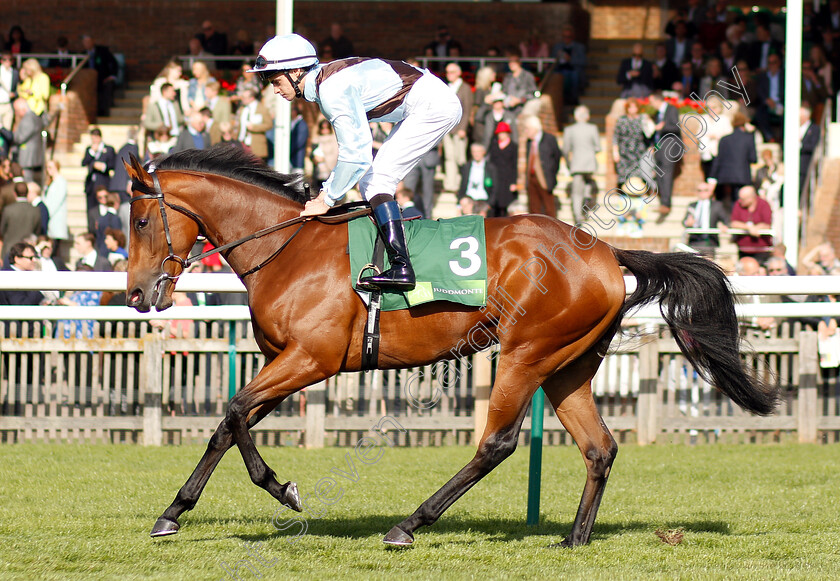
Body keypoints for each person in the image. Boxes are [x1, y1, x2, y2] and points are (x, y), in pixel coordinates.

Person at [251, 33, 461, 291]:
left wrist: (326, 199)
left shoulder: (331, 90)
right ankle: (393, 259)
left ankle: (401, 267)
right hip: (427, 100)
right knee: (372, 182)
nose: (274, 89)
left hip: (433, 105)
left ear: (295, 71)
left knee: (376, 181)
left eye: (275, 80)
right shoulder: (326, 79)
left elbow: (357, 156)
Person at [709, 112, 757, 209]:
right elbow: (753, 158)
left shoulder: (724, 139)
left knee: (726, 200)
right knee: (740, 200)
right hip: (742, 175)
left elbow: (718, 160)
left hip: (725, 176)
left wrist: (712, 176)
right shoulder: (748, 138)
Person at [563, 105, 601, 224]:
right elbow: (598, 147)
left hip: (576, 163)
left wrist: (569, 163)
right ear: (587, 116)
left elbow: (565, 150)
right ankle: (587, 195)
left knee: (576, 192)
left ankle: (578, 217)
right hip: (589, 162)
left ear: (575, 117)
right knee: (588, 182)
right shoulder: (593, 128)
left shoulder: (569, 130)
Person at [442, 62, 473, 193]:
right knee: (449, 157)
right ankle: (451, 184)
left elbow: (468, 109)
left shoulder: (465, 88)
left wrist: (463, 128)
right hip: (447, 129)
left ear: (459, 73)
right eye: (448, 72)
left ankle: (462, 184)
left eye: (452, 72)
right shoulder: (446, 87)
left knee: (460, 158)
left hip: (459, 128)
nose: (450, 75)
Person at [521, 115, 561, 217]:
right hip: (532, 178)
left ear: (534, 128)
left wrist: (552, 172)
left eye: (527, 129)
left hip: (545, 178)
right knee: (534, 208)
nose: (526, 131)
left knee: (549, 208)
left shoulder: (549, 139)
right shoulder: (529, 142)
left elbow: (557, 156)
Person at [648, 91, 680, 219]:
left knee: (666, 174)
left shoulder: (672, 109)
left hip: (670, 146)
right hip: (659, 147)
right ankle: (663, 202)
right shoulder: (657, 114)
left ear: (657, 100)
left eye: (652, 102)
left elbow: (676, 127)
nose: (651, 105)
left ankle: (666, 203)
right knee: (659, 174)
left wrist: (662, 126)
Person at [612, 98, 651, 191]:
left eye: (634, 107)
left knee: (638, 177)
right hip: (624, 152)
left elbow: (649, 134)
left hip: (638, 152)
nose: (632, 110)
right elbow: (616, 136)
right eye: (630, 107)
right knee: (624, 176)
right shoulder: (622, 120)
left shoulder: (642, 119)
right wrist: (615, 152)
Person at [682, 182, 729, 257]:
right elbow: (684, 222)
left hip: (709, 240)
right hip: (694, 240)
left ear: (710, 192)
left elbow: (727, 220)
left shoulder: (716, 205)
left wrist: (724, 226)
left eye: (705, 190)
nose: (702, 193)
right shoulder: (692, 205)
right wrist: (687, 222)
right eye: (700, 190)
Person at [730, 185, 772, 263]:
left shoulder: (764, 205)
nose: (740, 200)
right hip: (743, 249)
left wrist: (757, 228)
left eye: (742, 199)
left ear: (751, 198)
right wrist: (749, 227)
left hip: (761, 249)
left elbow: (767, 224)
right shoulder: (738, 205)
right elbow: (734, 223)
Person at [81, 34, 119, 117]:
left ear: (93, 42)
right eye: (85, 42)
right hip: (89, 81)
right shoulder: (82, 55)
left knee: (106, 88)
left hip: (103, 79)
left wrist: (112, 76)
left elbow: (114, 63)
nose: (87, 44)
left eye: (88, 42)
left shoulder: (102, 51)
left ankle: (104, 112)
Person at [10, 98, 47, 183]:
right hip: (32, 157)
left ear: (22, 109)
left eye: (17, 111)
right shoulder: (33, 116)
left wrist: (12, 135)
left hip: (28, 157)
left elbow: (19, 138)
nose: (16, 114)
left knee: (28, 183)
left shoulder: (28, 118)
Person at [486, 121, 518, 218]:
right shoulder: (494, 145)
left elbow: (514, 164)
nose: (501, 135)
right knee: (494, 201)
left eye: (503, 133)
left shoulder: (513, 146)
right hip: (495, 176)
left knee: (504, 202)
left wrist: (513, 182)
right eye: (499, 133)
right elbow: (490, 161)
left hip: (507, 178)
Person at [0, 180, 42, 253]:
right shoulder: (35, 210)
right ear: (27, 193)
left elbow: (2, 231)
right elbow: (37, 231)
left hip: (9, 250)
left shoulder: (8, 210)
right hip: (27, 250)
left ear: (15, 194)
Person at [550, 25, 587, 105]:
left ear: (572, 37)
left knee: (573, 76)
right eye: (564, 37)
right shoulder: (558, 47)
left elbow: (583, 61)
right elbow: (551, 62)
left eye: (568, 37)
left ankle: (572, 99)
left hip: (573, 69)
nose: (566, 39)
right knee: (559, 76)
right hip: (560, 69)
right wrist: (558, 57)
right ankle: (564, 99)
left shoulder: (579, 47)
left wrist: (570, 59)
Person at [0, 242, 45, 307]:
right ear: (17, 259)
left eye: (34, 257)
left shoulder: (24, 275)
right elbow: (21, 305)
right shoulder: (9, 278)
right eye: (30, 258)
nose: (34, 260)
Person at [82, 127, 116, 211]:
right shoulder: (89, 150)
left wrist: (103, 167)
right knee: (91, 209)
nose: (94, 141)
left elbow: (113, 164)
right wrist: (92, 152)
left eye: (95, 138)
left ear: (99, 137)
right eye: (92, 139)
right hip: (91, 185)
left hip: (103, 183)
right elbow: (84, 162)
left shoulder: (108, 149)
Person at [401, 148, 439, 220]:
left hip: (429, 156)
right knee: (407, 190)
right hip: (412, 157)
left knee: (427, 191)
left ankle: (427, 218)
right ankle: (407, 217)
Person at [236, 88, 272, 162]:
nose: (242, 99)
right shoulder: (243, 109)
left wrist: (254, 127)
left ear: (252, 98)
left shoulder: (262, 109)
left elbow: (269, 124)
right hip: (243, 143)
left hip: (256, 145)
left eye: (244, 98)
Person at [457, 143, 496, 209]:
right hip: (469, 197)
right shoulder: (467, 167)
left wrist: (490, 203)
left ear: (483, 152)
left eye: (478, 152)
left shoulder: (490, 168)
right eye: (474, 152)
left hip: (483, 199)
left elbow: (495, 187)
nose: (476, 154)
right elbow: (462, 185)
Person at [43, 159, 69, 257]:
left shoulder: (61, 181)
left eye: (50, 167)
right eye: (47, 167)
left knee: (55, 249)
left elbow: (57, 200)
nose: (48, 170)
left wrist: (46, 213)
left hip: (55, 217)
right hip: (50, 217)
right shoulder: (50, 182)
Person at [87, 185, 122, 255]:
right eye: (100, 197)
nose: (103, 199)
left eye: (105, 196)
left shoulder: (103, 218)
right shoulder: (114, 218)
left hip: (104, 251)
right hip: (108, 251)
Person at [501, 52, 537, 116]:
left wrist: (519, 100)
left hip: (524, 109)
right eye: (510, 63)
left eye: (513, 63)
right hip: (508, 109)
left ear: (519, 63)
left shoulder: (528, 76)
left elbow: (534, 94)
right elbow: (504, 91)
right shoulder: (508, 77)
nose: (511, 65)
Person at [110, 126, 140, 201]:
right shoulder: (133, 148)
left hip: (117, 184)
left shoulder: (122, 148)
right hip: (124, 186)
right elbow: (130, 164)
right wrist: (129, 182)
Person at [470, 66, 496, 147]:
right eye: (492, 74)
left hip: (489, 121)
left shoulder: (491, 88)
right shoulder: (480, 90)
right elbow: (476, 108)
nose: (494, 75)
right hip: (481, 124)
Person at [799, 106, 821, 191]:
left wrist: (800, 146)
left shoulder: (814, 129)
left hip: (805, 165)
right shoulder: (793, 128)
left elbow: (813, 146)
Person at [0, 52, 19, 131]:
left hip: (8, 105)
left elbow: (18, 89)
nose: (7, 62)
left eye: (10, 60)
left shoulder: (15, 73)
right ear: (1, 61)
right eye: (5, 60)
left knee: (7, 131)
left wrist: (14, 94)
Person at [290, 102, 308, 174]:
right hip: (291, 161)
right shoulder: (293, 123)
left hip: (297, 161)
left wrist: (288, 150)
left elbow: (299, 142)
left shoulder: (302, 124)